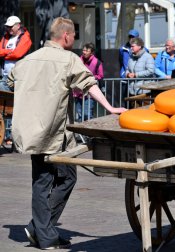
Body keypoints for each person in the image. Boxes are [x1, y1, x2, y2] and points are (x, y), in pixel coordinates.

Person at [7, 17, 126, 250]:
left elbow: (11, 82)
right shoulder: (68, 59)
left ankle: (41, 228)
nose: (75, 40)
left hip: (33, 133)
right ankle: (45, 235)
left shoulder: (26, 61)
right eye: (74, 36)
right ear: (66, 36)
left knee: (47, 181)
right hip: (55, 134)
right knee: (58, 179)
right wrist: (110, 108)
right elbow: (89, 83)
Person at [0, 16, 32, 92]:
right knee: (4, 99)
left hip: (19, 76)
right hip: (5, 75)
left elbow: (17, 54)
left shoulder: (25, 38)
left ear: (18, 26)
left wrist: (4, 55)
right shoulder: (5, 37)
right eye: (7, 26)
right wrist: (8, 51)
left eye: (11, 26)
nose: (9, 28)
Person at [74, 42, 104, 121]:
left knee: (87, 115)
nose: (84, 52)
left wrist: (90, 78)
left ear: (91, 52)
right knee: (79, 114)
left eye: (87, 51)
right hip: (78, 92)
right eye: (83, 50)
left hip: (89, 94)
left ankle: (88, 133)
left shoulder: (97, 62)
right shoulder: (78, 60)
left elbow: (100, 75)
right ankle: (80, 133)